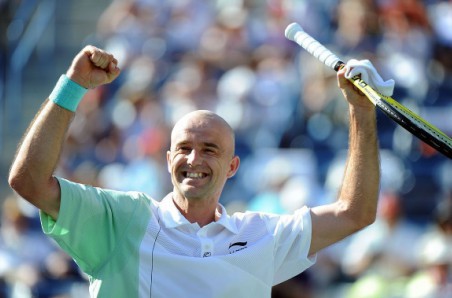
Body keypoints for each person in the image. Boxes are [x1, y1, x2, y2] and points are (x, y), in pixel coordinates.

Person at [8, 45, 380, 297]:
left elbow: (354, 213)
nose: (193, 159)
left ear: (233, 166)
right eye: (183, 148)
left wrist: (360, 112)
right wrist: (73, 86)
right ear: (168, 159)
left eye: (209, 150)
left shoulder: (261, 235)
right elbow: (28, 181)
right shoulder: (122, 218)